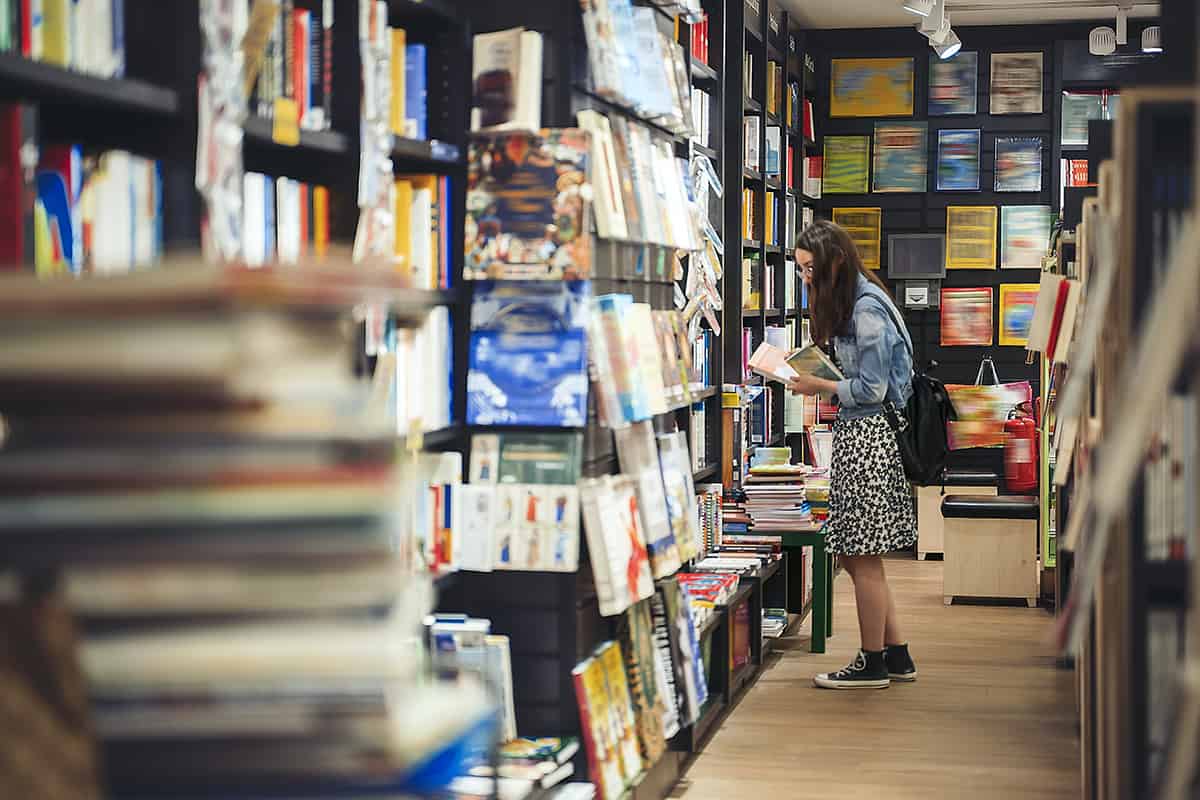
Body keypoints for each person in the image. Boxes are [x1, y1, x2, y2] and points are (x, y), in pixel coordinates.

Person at [788, 220, 918, 690]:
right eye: (800, 270)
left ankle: (872, 661)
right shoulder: (857, 301)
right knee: (861, 556)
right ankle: (896, 654)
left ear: (835, 262)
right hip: (860, 437)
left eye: (809, 270)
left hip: (868, 441)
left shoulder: (866, 311)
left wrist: (816, 384)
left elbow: (871, 388)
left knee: (860, 557)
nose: (805, 278)